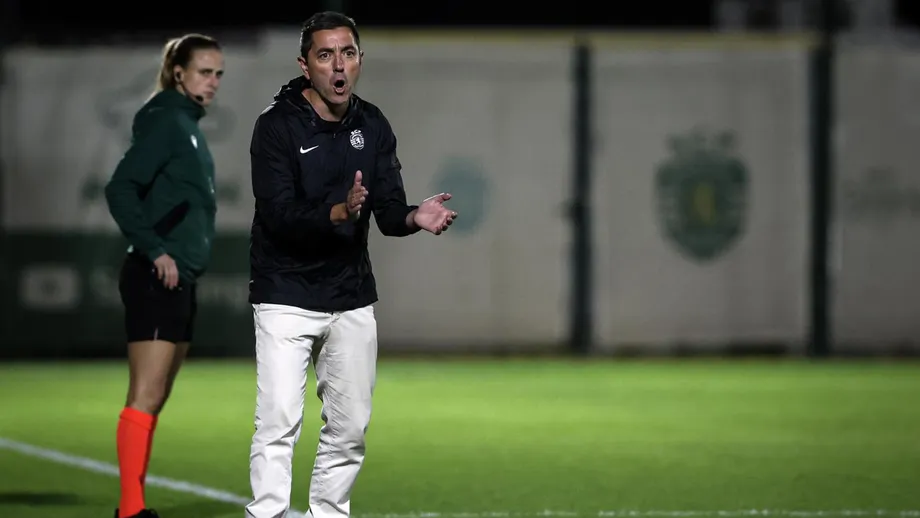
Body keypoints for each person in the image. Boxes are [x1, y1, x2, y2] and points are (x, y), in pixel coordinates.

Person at [244, 11, 458, 518]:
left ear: (360, 59)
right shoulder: (275, 127)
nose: (339, 66)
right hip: (285, 295)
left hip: (350, 295)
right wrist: (337, 211)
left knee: (350, 428)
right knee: (278, 423)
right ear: (305, 64)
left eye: (348, 53)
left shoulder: (373, 123)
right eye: (325, 55)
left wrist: (413, 215)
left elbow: (386, 213)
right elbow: (278, 216)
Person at [103, 33, 224, 518]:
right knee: (146, 394)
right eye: (203, 72)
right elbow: (120, 188)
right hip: (156, 274)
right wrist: (156, 249)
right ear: (179, 72)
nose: (213, 82)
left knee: (156, 397)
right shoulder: (170, 121)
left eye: (218, 74)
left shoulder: (186, 123)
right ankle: (130, 510)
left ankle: (134, 506)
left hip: (180, 277)